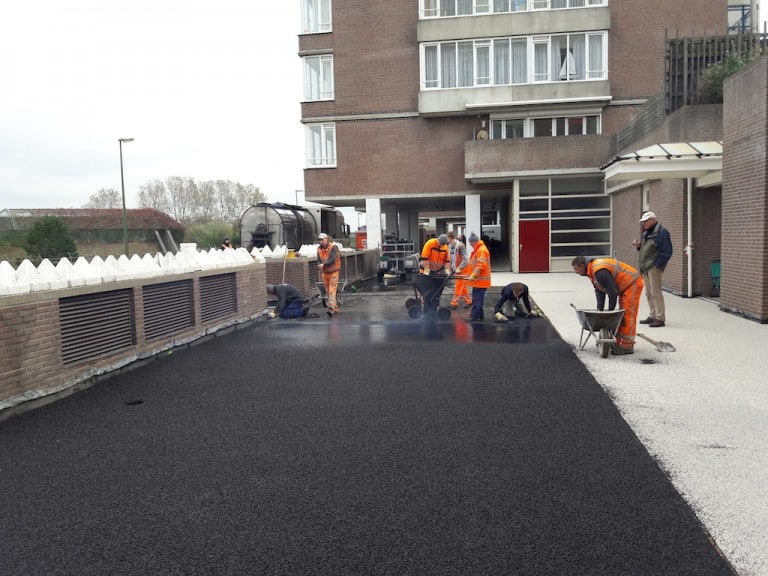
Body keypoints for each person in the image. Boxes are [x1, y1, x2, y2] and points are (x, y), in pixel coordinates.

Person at [571, 255, 644, 355]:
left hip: (632, 283)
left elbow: (612, 291)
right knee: (623, 314)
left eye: (576, 269)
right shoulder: (592, 270)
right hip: (624, 286)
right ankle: (619, 342)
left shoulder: (599, 271)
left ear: (583, 266)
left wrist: (610, 312)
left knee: (628, 315)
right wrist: (600, 310)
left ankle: (627, 346)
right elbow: (599, 290)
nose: (576, 272)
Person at [633, 211, 673, 328]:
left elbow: (667, 251)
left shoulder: (662, 232)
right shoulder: (648, 232)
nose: (643, 224)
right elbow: (649, 248)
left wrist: (657, 265)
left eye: (645, 221)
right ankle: (653, 315)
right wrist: (639, 246)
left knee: (656, 293)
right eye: (642, 222)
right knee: (649, 293)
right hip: (645, 267)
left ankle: (660, 318)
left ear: (652, 220)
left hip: (653, 267)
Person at [417, 233, 450, 317]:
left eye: (443, 244)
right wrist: (427, 270)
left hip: (438, 273)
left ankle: (433, 311)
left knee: (436, 293)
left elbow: (447, 260)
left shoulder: (445, 247)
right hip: (427, 273)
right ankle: (426, 312)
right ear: (438, 240)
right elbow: (424, 257)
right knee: (428, 293)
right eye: (440, 243)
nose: (441, 246)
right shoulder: (430, 243)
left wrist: (447, 270)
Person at [467, 232, 491, 322]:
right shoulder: (479, 249)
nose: (470, 245)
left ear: (475, 242)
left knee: (477, 299)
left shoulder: (481, 250)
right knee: (477, 298)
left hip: (480, 281)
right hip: (478, 280)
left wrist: (473, 275)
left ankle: (474, 317)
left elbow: (481, 265)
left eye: (471, 243)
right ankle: (480, 316)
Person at [316, 232, 341, 317]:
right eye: (319, 240)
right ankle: (335, 307)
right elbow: (318, 259)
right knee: (328, 292)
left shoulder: (333, 247)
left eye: (322, 240)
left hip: (334, 272)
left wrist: (324, 264)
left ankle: (331, 309)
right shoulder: (318, 249)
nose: (321, 242)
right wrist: (319, 264)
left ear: (326, 239)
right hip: (325, 272)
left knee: (331, 290)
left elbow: (332, 258)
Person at [446, 230, 472, 309]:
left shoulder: (460, 246)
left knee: (458, 286)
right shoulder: (450, 246)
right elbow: (452, 259)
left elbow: (465, 259)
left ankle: (454, 303)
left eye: (447, 238)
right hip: (457, 269)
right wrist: (453, 268)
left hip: (463, 269)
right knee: (462, 287)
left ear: (449, 238)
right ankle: (469, 301)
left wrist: (459, 268)